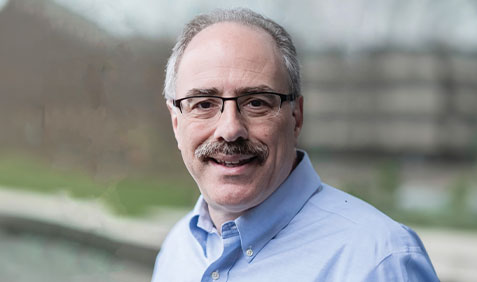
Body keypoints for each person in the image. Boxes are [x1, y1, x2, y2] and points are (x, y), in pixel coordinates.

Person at [152, 8, 439, 282]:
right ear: (176, 123)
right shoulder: (178, 249)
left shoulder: (379, 260)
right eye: (203, 104)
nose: (230, 129)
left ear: (296, 117)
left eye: (256, 103)